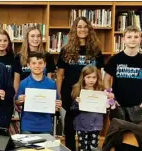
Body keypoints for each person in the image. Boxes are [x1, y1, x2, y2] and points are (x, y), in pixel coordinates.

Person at [56, 17, 105, 150]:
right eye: (79, 26)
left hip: (89, 93)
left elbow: (99, 74)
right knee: (70, 127)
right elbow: (60, 75)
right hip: (70, 93)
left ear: (89, 29)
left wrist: (100, 93)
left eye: (85, 26)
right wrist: (58, 94)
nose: (82, 29)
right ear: (74, 29)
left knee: (89, 126)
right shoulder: (66, 50)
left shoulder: (96, 50)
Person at [104, 26, 142, 124]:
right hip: (118, 105)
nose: (133, 39)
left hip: (137, 106)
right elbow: (106, 79)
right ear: (123, 40)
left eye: (136, 37)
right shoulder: (115, 59)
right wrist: (111, 98)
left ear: (140, 39)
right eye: (129, 37)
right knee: (117, 136)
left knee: (135, 137)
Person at [14, 52, 61, 134]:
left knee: (45, 147)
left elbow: (56, 106)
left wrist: (58, 104)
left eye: (40, 63)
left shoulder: (51, 84)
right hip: (27, 125)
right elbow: (17, 102)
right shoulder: (24, 83)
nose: (37, 66)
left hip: (45, 126)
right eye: (34, 63)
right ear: (28, 65)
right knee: (27, 147)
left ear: (45, 64)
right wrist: (19, 100)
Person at [71, 65, 112, 151]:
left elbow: (107, 109)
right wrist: (77, 103)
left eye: (94, 77)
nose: (91, 80)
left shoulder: (101, 91)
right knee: (82, 148)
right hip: (82, 125)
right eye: (88, 77)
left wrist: (109, 100)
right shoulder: (78, 89)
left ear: (97, 78)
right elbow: (73, 110)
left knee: (93, 148)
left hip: (96, 125)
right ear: (83, 77)